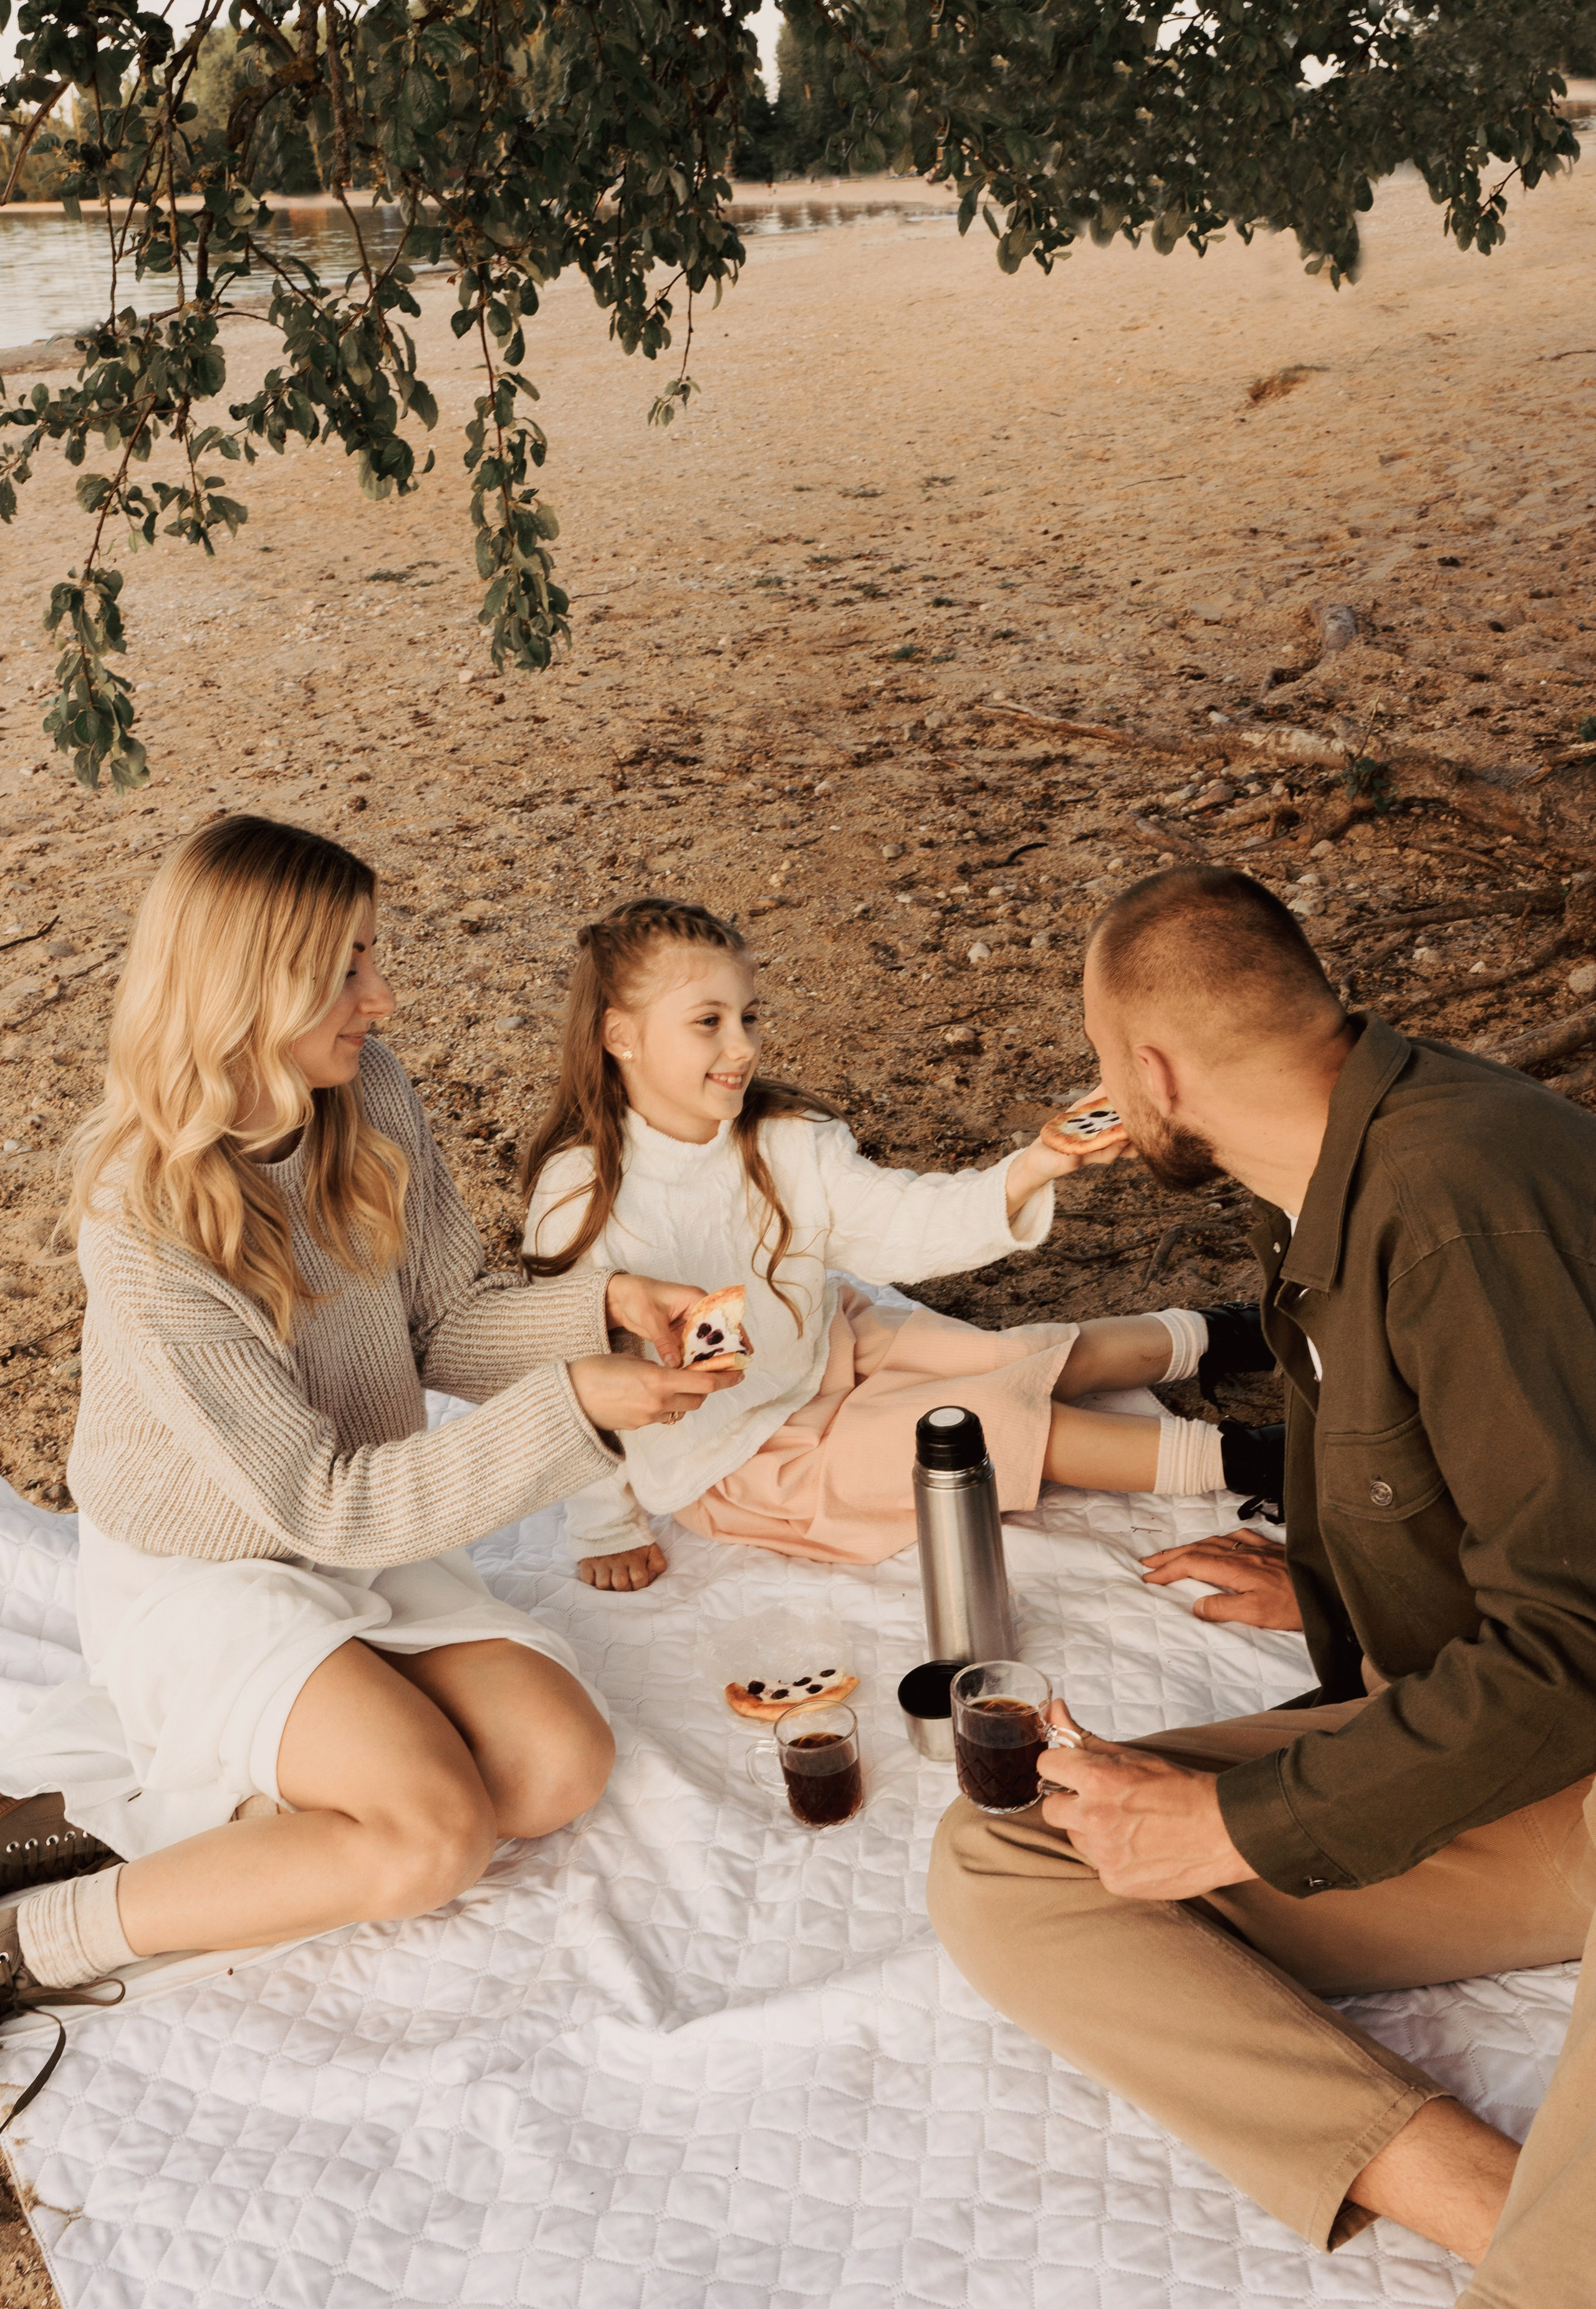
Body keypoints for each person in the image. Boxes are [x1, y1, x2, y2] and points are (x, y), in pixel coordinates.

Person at [928, 863, 1596, 2279]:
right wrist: (1339, 1567)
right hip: (1511, 1755)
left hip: (1570, 1733)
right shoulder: (1313, 1172)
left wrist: (1236, 1825)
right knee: (1013, 1850)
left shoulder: (1465, 1197)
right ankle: (1496, 2210)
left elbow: (1571, 1645)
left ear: (1152, 1070)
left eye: (1105, 1062)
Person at [0, 819, 738, 2096]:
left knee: (555, 1764)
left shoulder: (368, 1088)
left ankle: (179, 1811)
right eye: (345, 969)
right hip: (214, 1570)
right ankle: (31, 1939)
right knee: (429, 1839)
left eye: (371, 958)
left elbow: (445, 1321)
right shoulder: (144, 1219)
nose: (381, 997)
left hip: (358, 1524)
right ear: (251, 987)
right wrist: (578, 1409)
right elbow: (323, 1506)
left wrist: (603, 1312)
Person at [517, 895, 1278, 1591]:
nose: (742, 1045)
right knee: (986, 1427)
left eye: (749, 1017)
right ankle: (1258, 1458)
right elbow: (572, 1373)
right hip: (747, 1455)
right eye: (707, 1022)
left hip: (828, 1349)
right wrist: (605, 1524)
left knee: (1020, 1356)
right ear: (620, 1035)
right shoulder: (581, 1195)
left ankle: (1256, 1331)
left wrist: (1034, 1166)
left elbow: (902, 1221)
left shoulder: (786, 1138)